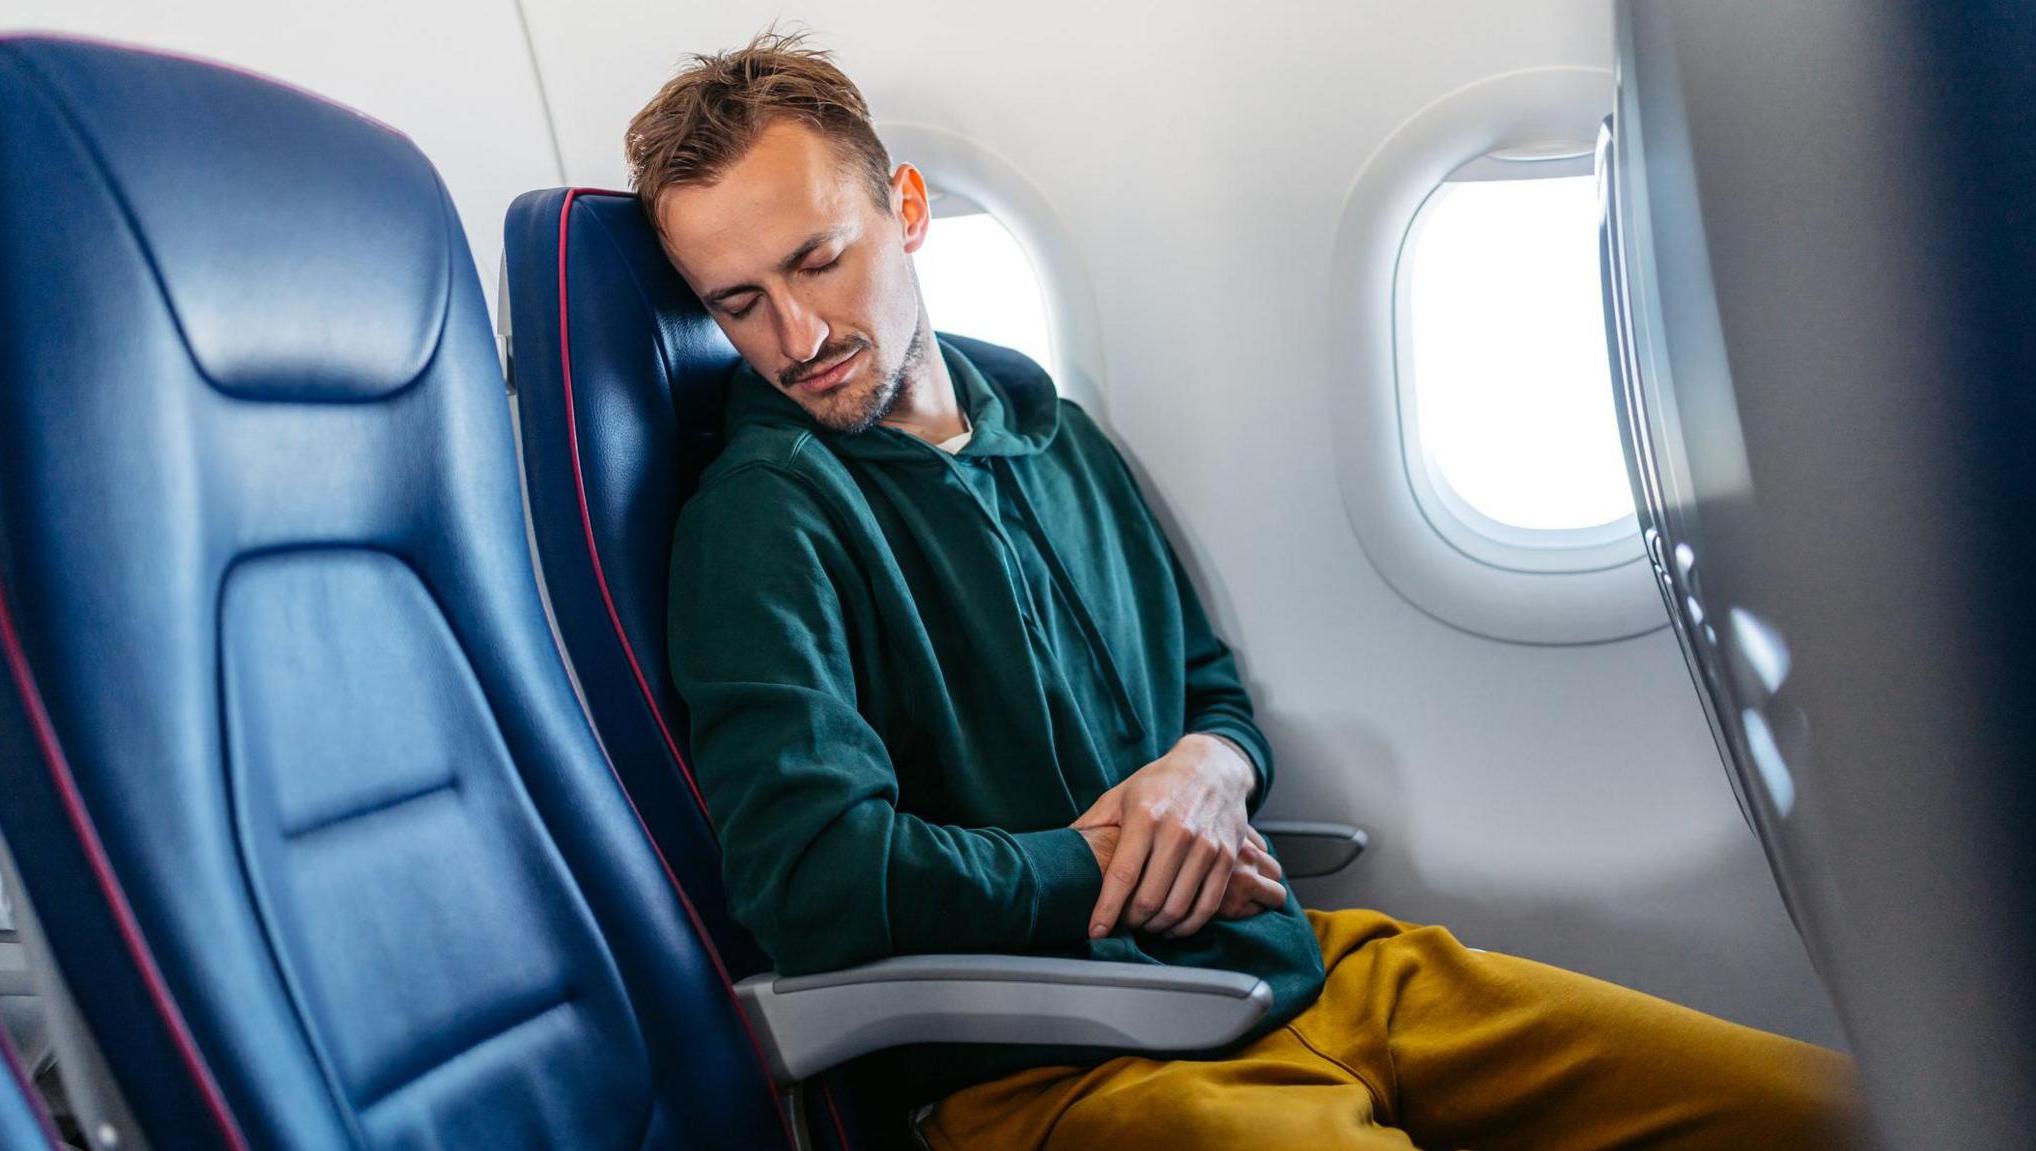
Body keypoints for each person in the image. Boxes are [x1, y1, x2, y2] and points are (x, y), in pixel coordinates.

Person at [635, 29, 1865, 1151]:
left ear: (902, 209)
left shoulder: (1051, 434)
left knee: (1836, 1113)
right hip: (1068, 1068)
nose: (795, 336)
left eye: (817, 261)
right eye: (738, 304)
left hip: (1310, 974)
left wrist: (1212, 773)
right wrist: (1106, 864)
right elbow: (813, 882)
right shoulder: (760, 520)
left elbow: (1206, 691)